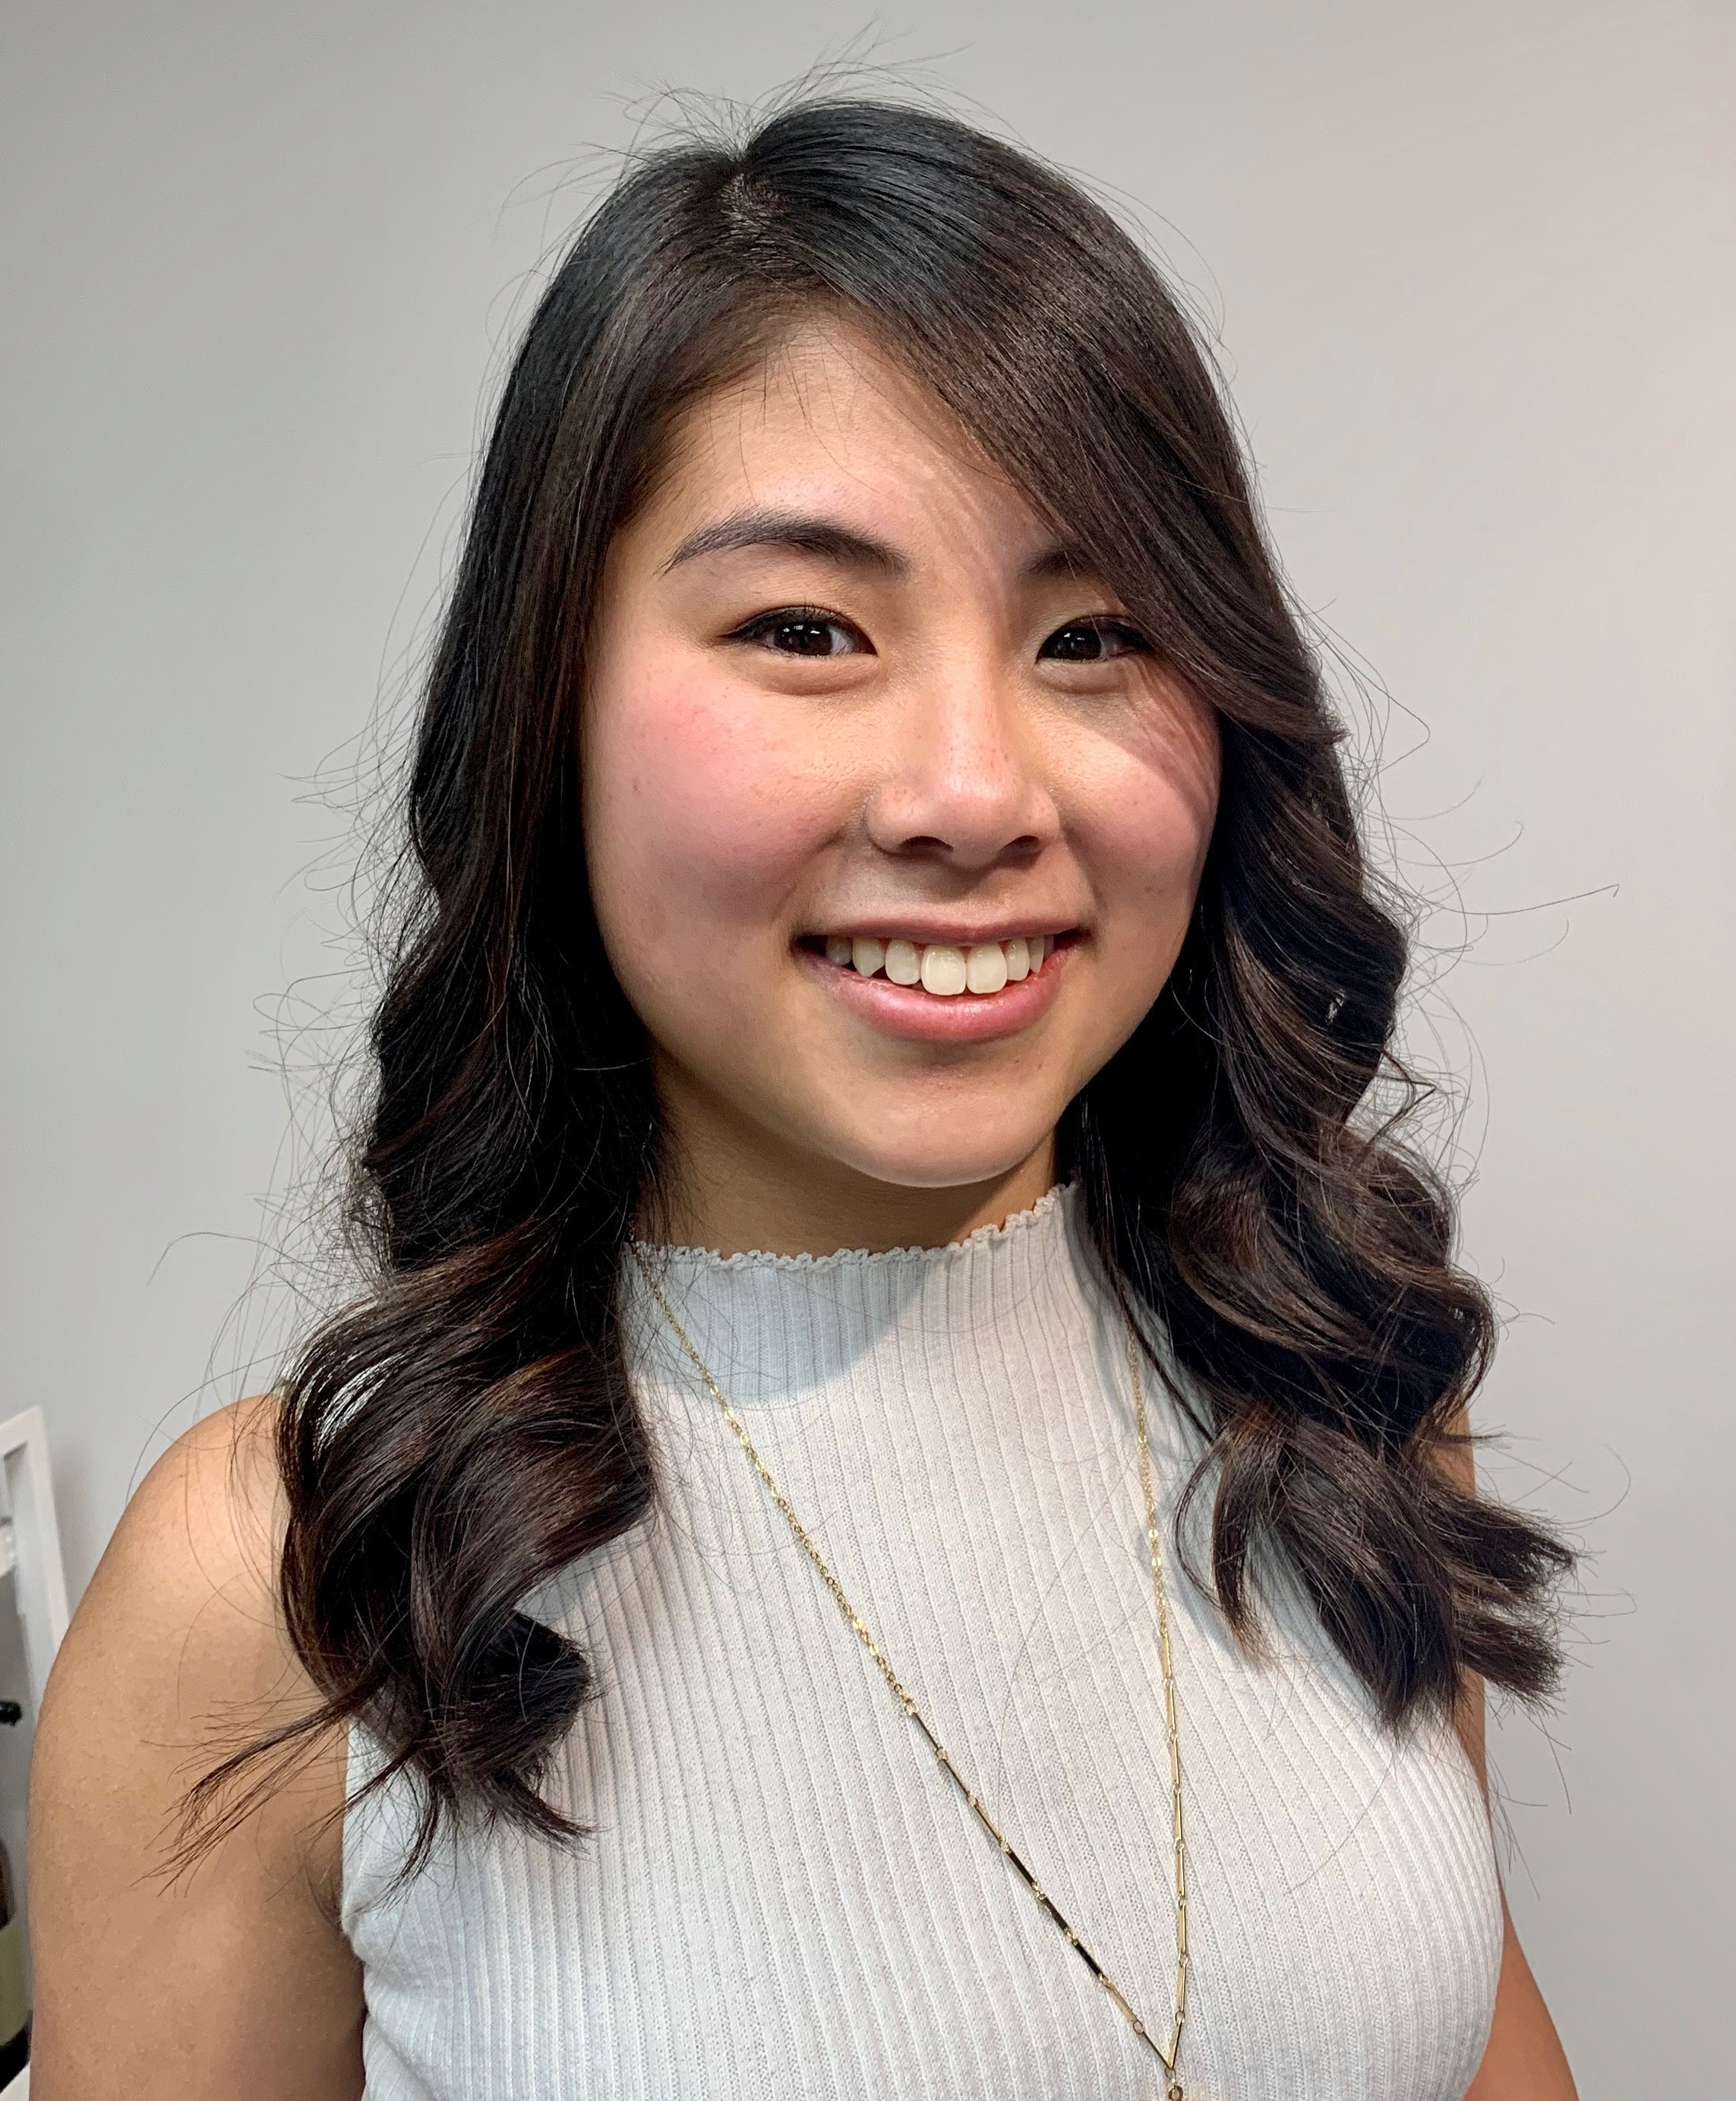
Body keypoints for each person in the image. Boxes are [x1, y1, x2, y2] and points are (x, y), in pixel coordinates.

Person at [27, 96, 1580, 2099]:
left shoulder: (1336, 1390)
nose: (972, 793)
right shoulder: (282, 1584)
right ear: (547, 716)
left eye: (1093, 636)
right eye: (803, 629)